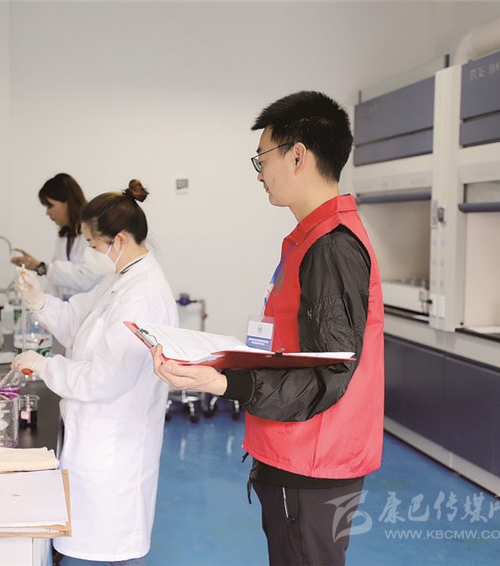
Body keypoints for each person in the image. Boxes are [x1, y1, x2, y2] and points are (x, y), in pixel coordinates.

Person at [151, 91, 385, 566]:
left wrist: (224, 382)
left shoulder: (330, 248)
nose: (259, 173)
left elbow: (328, 374)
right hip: (299, 452)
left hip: (311, 459)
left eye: (263, 158)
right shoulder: (312, 239)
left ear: (298, 156)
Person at [12, 180, 178, 565]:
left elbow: (104, 379)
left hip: (115, 444)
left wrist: (45, 365)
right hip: (96, 433)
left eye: (91, 244)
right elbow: (77, 322)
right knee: (90, 537)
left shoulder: (142, 295)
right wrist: (39, 302)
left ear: (118, 240)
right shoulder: (119, 278)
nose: (89, 253)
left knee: (109, 546)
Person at [11, 173, 102, 299]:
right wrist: (42, 304)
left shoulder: (93, 235)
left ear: (67, 203)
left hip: (91, 307)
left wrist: (41, 267)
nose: (47, 212)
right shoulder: (64, 237)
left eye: (50, 206)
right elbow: (54, 284)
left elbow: (85, 279)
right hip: (67, 308)